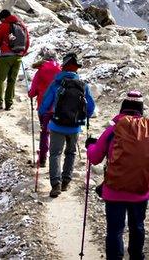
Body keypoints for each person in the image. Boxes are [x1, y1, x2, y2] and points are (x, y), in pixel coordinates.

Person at [86, 91, 149, 260]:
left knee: (115, 231)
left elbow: (95, 158)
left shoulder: (113, 130)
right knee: (137, 227)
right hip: (140, 191)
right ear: (141, 110)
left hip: (114, 190)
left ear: (122, 108)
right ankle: (136, 257)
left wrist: (90, 146)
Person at [39, 53, 96, 197]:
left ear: (63, 68)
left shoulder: (56, 84)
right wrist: (84, 116)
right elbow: (91, 107)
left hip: (57, 124)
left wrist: (43, 113)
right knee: (70, 153)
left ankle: (55, 184)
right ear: (76, 69)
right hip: (75, 126)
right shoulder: (83, 86)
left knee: (55, 154)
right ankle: (66, 181)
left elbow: (45, 104)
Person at [0, 9, 30, 111]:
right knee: (12, 80)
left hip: (6, 57)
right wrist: (22, 53)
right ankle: (9, 103)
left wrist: (3, 43)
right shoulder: (22, 26)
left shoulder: (3, 25)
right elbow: (27, 42)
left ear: (3, 18)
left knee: (0, 80)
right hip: (18, 57)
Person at [28, 47, 60, 168]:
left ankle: (42, 159)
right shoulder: (61, 70)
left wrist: (29, 92)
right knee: (56, 132)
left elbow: (32, 93)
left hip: (43, 107)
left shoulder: (40, 70)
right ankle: (55, 159)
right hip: (59, 107)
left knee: (44, 132)